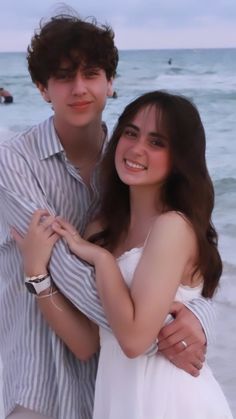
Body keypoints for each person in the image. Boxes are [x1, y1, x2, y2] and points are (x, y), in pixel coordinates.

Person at [0, 10, 213, 419]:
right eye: (63, 76)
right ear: (43, 88)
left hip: (119, 394)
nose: (79, 88)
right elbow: (64, 266)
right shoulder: (14, 162)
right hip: (42, 387)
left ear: (110, 82)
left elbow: (192, 253)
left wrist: (200, 316)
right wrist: (154, 334)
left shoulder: (130, 164)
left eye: (91, 73)